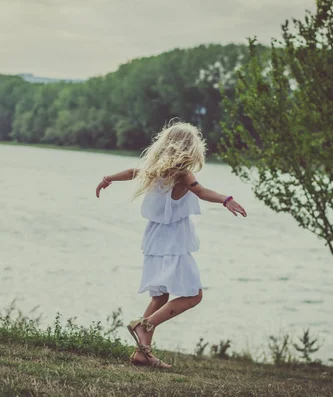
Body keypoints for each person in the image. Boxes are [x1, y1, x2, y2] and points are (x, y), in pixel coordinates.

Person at [95, 121, 246, 368]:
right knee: (193, 295)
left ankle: (142, 353)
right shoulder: (183, 175)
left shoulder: (153, 170)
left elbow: (133, 171)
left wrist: (107, 178)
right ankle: (145, 326)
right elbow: (202, 192)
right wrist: (226, 199)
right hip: (174, 243)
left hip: (154, 241)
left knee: (160, 297)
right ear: (191, 149)